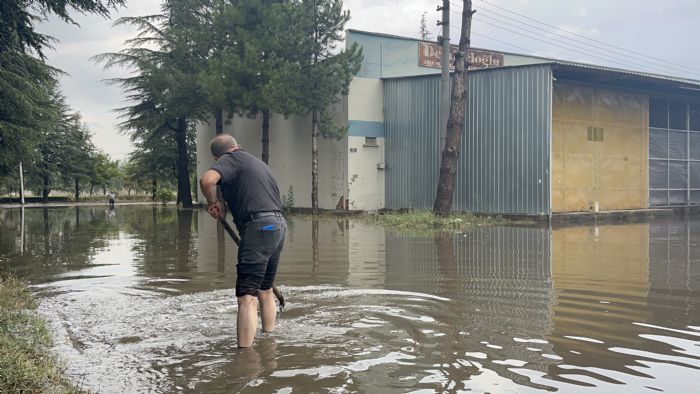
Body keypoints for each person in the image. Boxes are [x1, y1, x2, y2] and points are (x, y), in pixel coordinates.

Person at [199, 134, 287, 348]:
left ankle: (245, 358)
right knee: (265, 290)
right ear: (237, 144)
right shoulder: (257, 162)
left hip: (259, 227)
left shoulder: (230, 159)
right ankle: (269, 341)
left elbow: (207, 180)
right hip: (278, 225)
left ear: (216, 156)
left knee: (246, 296)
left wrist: (213, 202)